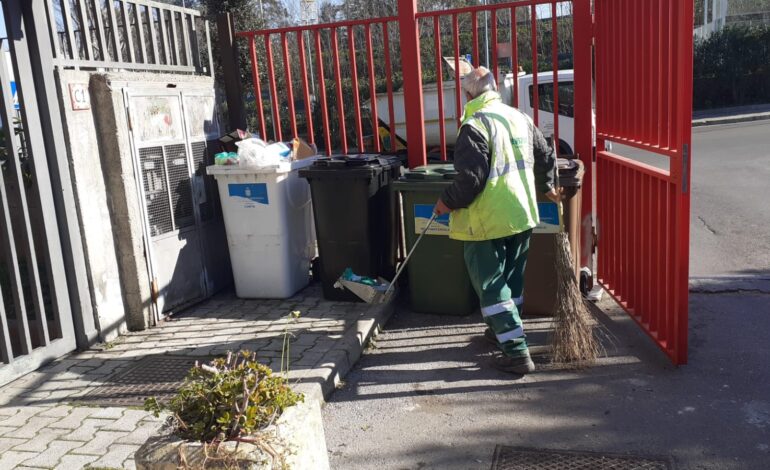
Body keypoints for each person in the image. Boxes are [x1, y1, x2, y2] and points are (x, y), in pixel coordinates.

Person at [434, 67, 559, 375]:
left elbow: (471, 180)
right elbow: (545, 156)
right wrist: (548, 186)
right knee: (511, 282)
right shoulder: (519, 117)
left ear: (467, 94)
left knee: (491, 285)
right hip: (521, 213)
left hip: (487, 220)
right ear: (496, 89)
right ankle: (499, 331)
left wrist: (445, 202)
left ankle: (516, 353)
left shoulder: (474, 125)